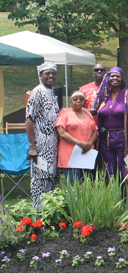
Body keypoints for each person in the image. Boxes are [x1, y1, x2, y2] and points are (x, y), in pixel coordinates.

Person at [95, 67, 128, 195]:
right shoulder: (104, 95)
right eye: (112, 76)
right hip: (106, 138)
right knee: (109, 170)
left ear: (122, 79)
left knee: (126, 169)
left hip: (123, 137)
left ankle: (127, 201)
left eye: (118, 76)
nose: (115, 79)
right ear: (108, 78)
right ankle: (111, 200)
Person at [26, 62, 60, 209]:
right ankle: (38, 216)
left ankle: (50, 217)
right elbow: (29, 118)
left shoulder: (51, 92)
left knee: (52, 181)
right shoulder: (37, 92)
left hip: (53, 147)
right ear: (40, 75)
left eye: (53, 73)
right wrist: (33, 146)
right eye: (47, 73)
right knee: (40, 181)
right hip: (41, 147)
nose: (51, 76)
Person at [55, 91, 97, 184]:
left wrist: (89, 144)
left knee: (84, 185)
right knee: (74, 186)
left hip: (86, 153)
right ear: (71, 101)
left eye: (81, 99)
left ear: (84, 102)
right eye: (75, 99)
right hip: (70, 156)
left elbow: (95, 131)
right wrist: (79, 143)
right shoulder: (64, 113)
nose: (78, 101)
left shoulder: (88, 113)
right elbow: (62, 133)